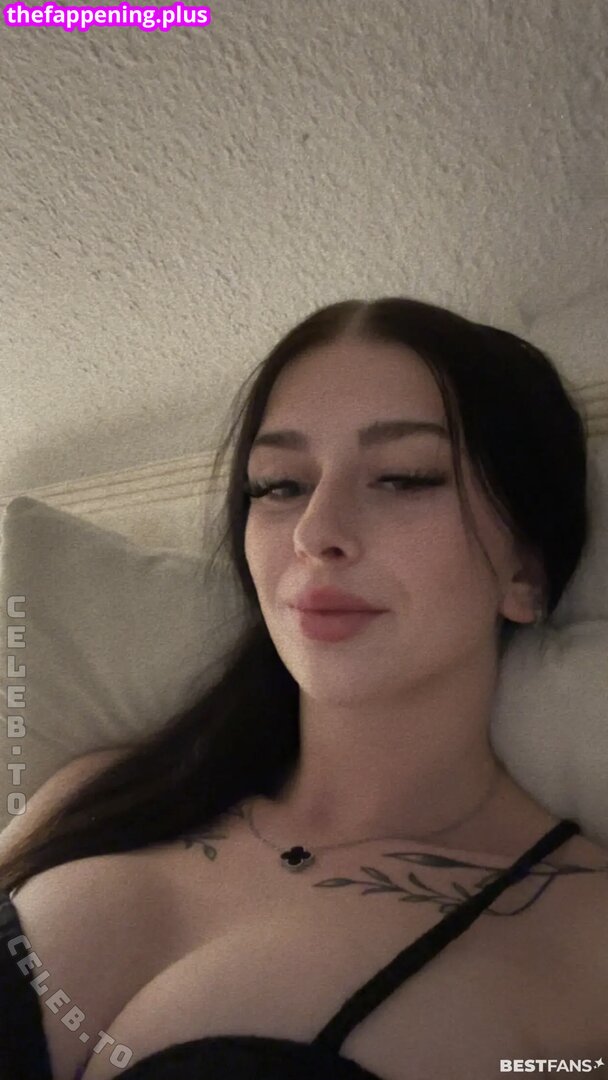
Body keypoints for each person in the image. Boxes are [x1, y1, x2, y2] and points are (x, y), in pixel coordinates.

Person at [1, 297, 605, 1080]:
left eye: (404, 478)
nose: (315, 532)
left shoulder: (584, 937)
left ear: (525, 572)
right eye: (279, 485)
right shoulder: (96, 793)